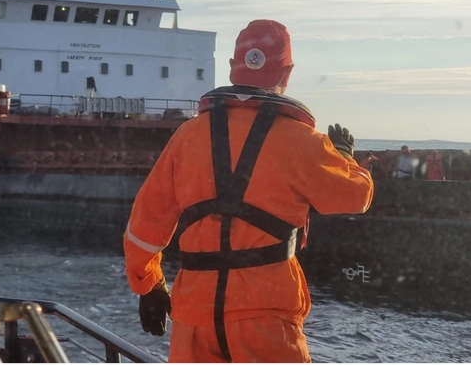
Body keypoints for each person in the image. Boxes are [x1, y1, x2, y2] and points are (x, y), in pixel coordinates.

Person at [123, 19, 374, 363]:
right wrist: (346, 158)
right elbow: (353, 198)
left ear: (231, 69)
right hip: (266, 317)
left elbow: (145, 225)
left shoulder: (187, 137)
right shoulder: (303, 142)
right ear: (287, 72)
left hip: (194, 316)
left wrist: (149, 286)